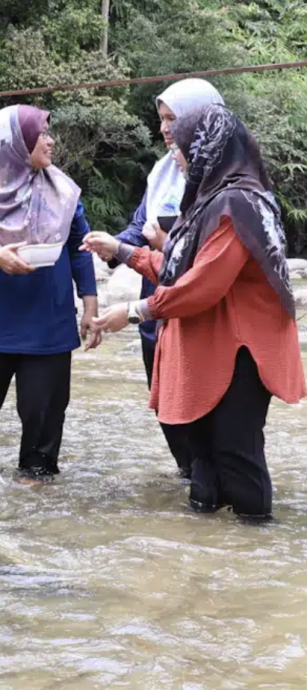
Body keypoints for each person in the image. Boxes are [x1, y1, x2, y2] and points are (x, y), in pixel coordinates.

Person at [84, 105, 306, 520]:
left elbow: (202, 285)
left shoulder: (239, 203)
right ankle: (205, 562)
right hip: (210, 346)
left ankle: (254, 548)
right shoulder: (209, 200)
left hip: (241, 352)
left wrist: (135, 311)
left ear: (209, 149)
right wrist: (124, 252)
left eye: (183, 146)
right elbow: (178, 267)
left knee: (236, 451)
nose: (177, 156)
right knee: (201, 451)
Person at [0, 105, 100, 481]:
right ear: (15, 142)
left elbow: (81, 248)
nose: (51, 140)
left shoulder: (62, 190)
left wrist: (90, 306)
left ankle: (33, 523)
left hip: (49, 329)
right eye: (42, 133)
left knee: (42, 448)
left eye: (48, 132)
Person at [106, 79, 225, 478]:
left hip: (199, 314)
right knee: (165, 405)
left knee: (203, 409)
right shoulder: (162, 170)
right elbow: (140, 225)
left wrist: (166, 242)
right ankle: (189, 475)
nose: (165, 128)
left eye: (173, 118)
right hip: (155, 309)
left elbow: (212, 254)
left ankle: (208, 480)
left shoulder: (228, 180)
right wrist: (109, 246)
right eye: (161, 119)